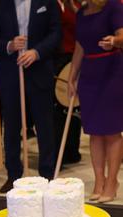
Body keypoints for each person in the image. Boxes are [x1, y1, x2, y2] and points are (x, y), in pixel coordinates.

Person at [0, 0, 62, 193]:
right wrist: (8, 45)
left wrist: (36, 52)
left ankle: (47, 176)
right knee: (12, 126)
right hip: (10, 73)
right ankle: (13, 175)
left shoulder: (47, 1)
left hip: (40, 71)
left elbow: (56, 33)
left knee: (45, 126)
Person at [69, 0, 123, 203]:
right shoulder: (81, 13)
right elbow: (79, 46)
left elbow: (122, 36)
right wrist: (72, 77)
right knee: (94, 131)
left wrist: (114, 41)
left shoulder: (114, 7)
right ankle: (99, 181)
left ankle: (112, 182)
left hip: (112, 72)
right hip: (89, 74)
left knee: (111, 131)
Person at [54, 0, 83, 165]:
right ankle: (59, 153)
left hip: (75, 58)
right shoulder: (52, 4)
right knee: (58, 108)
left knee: (74, 107)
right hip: (56, 59)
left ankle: (72, 150)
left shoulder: (78, 5)